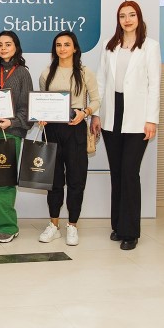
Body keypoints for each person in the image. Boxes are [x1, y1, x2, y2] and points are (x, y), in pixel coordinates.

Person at [95, 0, 161, 250]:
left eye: (132, 15)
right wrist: (96, 114)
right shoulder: (109, 45)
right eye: (122, 16)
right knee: (117, 172)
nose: (127, 20)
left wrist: (151, 119)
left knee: (130, 173)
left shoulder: (150, 46)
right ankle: (118, 225)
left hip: (137, 118)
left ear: (139, 17)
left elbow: (154, 85)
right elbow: (101, 81)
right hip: (111, 115)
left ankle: (131, 231)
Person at [36, 31, 100, 246]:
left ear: (75, 48)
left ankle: (72, 225)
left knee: (76, 180)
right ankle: (53, 225)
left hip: (75, 129)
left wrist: (85, 112)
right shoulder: (47, 73)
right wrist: (41, 116)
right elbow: (43, 100)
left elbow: (96, 100)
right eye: (58, 45)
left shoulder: (85, 72)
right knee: (53, 181)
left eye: (66, 44)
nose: (62, 48)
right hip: (52, 131)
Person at [0, 31, 32, 244]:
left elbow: (26, 108)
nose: (3, 48)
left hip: (10, 132)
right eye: (0, 45)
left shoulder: (22, 73)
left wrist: (11, 122)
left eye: (8, 44)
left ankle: (9, 226)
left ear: (16, 47)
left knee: (4, 182)